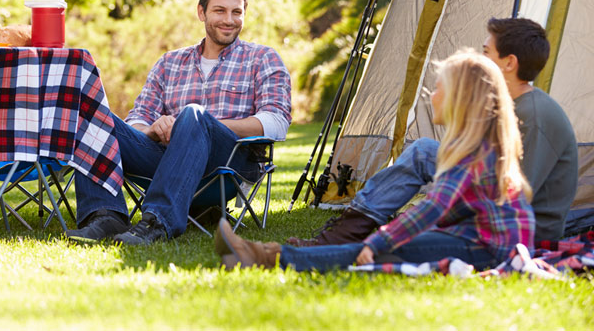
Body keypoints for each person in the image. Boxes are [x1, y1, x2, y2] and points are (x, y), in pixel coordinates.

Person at [215, 49, 535, 271]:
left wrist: (381, 238)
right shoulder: (477, 144)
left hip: (489, 251)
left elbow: (432, 207)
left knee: (385, 248)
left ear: (460, 100)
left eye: (438, 88)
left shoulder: (473, 153)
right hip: (479, 241)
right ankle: (267, 254)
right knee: (395, 246)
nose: (431, 95)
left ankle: (269, 257)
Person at [288, 17, 578, 247]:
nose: (478, 58)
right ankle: (347, 233)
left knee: (425, 157)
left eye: (486, 52)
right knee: (424, 150)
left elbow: (510, 197)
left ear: (509, 63)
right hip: (492, 210)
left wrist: (436, 209)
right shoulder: (506, 104)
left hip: (522, 235)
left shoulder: (534, 115)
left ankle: (351, 238)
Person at [66, 0, 292, 245]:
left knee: (193, 115)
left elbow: (277, 121)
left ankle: (157, 221)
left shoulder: (262, 58)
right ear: (201, 12)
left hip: (226, 165)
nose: (229, 20)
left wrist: (201, 126)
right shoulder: (170, 62)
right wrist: (153, 130)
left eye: (237, 12)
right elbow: (137, 118)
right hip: (164, 161)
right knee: (90, 115)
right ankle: (105, 215)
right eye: (219, 10)